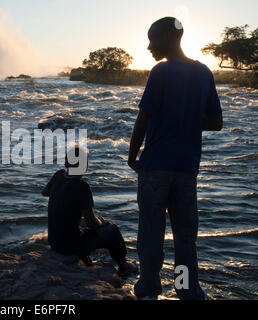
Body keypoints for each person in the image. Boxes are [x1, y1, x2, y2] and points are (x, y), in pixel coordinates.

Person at [128, 17, 223, 300]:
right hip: (186, 168)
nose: (148, 46)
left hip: (155, 166)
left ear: (170, 38)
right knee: (185, 236)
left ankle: (149, 288)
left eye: (152, 39)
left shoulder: (160, 72)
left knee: (150, 233)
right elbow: (216, 122)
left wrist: (132, 156)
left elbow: (142, 118)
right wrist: (188, 120)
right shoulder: (204, 72)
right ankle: (186, 290)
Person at [42, 147, 137, 276]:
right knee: (112, 230)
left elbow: (45, 192)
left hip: (54, 242)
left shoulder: (59, 175)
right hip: (70, 247)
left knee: (77, 224)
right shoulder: (82, 186)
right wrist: (101, 223)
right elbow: (91, 222)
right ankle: (124, 267)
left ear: (65, 164)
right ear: (85, 166)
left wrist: (61, 194)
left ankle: (85, 258)